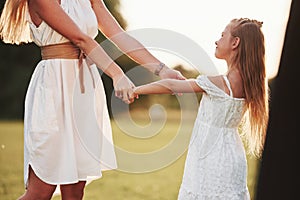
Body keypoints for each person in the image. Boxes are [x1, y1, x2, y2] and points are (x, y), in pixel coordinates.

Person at [0, 0, 185, 199]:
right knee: (41, 191)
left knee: (75, 191)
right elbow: (81, 39)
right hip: (54, 89)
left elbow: (118, 35)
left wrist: (162, 69)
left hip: (84, 89)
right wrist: (117, 74)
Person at [133, 18, 269, 199]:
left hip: (210, 157)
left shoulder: (218, 83)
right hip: (233, 156)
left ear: (235, 43)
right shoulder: (250, 84)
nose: (217, 41)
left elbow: (170, 86)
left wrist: (136, 90)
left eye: (222, 36)